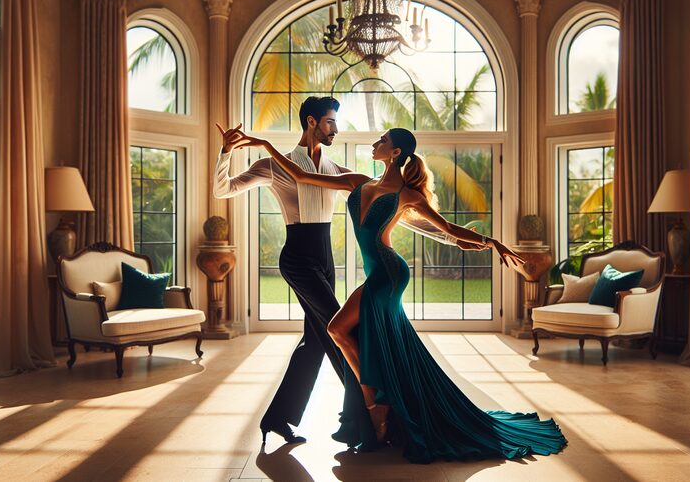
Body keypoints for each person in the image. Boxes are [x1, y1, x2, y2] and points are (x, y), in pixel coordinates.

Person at [223, 126, 567, 464]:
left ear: (396, 153)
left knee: (337, 329)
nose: (376, 143)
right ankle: (376, 400)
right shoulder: (357, 181)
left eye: (382, 141)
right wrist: (264, 143)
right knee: (344, 331)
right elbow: (300, 175)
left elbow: (447, 229)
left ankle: (374, 402)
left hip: (389, 274)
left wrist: (491, 243)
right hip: (379, 273)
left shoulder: (408, 195)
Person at [212, 98, 485, 445]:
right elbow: (224, 189)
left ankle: (278, 419)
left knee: (315, 340)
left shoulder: (337, 170)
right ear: (311, 122)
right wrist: (225, 152)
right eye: (330, 122)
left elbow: (394, 213)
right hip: (297, 256)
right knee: (339, 332)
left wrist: (454, 239)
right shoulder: (273, 165)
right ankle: (373, 413)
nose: (336, 130)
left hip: (324, 257)